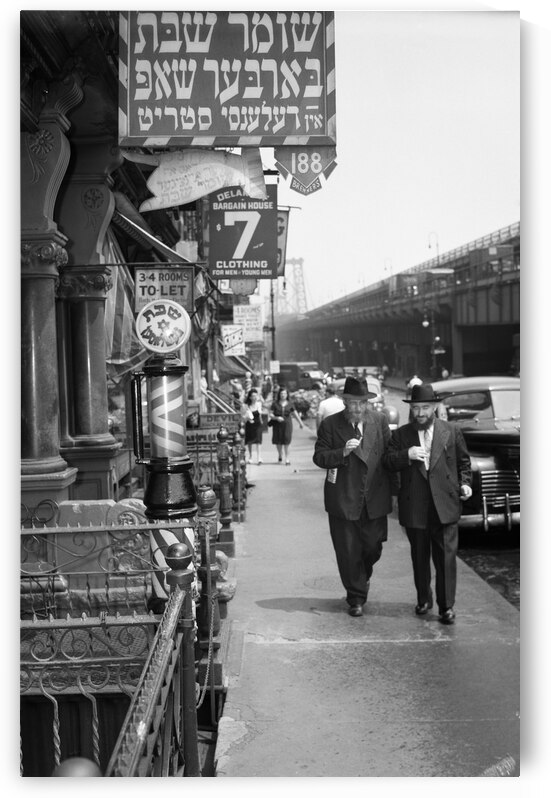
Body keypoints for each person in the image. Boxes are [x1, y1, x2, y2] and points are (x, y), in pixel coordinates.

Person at [383, 383, 472, 625]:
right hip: (415, 507)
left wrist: (465, 484)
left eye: (425, 408)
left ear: (434, 407)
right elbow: (387, 462)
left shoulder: (451, 431)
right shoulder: (401, 435)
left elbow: (464, 463)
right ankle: (424, 599)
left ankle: (446, 607)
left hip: (445, 506)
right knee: (419, 557)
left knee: (446, 560)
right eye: (416, 408)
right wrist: (406, 455)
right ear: (411, 409)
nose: (420, 413)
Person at [313, 377, 395, 617]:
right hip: (343, 499)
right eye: (352, 402)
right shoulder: (330, 425)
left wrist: (397, 492)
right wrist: (342, 452)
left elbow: (389, 456)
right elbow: (319, 457)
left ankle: (362, 577)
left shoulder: (380, 421)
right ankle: (356, 597)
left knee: (373, 547)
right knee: (348, 552)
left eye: (361, 403)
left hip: (375, 498)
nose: (357, 407)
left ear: (367, 403)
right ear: (344, 401)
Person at [269, 386, 304, 464]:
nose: (283, 395)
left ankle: (287, 458)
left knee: (287, 441)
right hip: (277, 424)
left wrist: (300, 423)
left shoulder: (290, 404)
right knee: (278, 441)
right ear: (279, 394)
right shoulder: (275, 404)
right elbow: (270, 414)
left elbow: (295, 413)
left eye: (284, 393)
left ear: (287, 395)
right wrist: (276, 417)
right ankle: (280, 454)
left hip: (287, 424)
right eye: (281, 393)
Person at [242, 387, 264, 464]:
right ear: (250, 397)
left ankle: (259, 457)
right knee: (250, 441)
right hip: (249, 425)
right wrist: (247, 417)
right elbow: (243, 417)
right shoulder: (245, 406)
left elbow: (260, 414)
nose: (254, 397)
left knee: (258, 440)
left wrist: (262, 422)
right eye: (253, 396)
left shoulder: (259, 404)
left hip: (258, 424)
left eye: (256, 396)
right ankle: (250, 456)